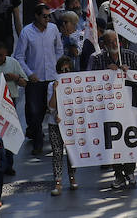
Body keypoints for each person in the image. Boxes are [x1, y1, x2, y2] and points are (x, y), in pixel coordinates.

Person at [86, 31, 137, 189]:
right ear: (103, 44)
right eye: (109, 41)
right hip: (107, 108)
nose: (113, 44)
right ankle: (118, 174)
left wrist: (129, 72)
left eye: (115, 41)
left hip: (129, 107)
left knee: (129, 138)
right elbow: (88, 81)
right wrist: (105, 71)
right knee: (112, 141)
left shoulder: (131, 55)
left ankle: (130, 171)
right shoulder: (97, 58)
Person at [13, 2, 63, 154]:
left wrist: (58, 69)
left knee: (55, 111)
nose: (47, 19)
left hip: (52, 79)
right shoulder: (27, 32)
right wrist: (29, 73)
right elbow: (19, 56)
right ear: (36, 16)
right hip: (35, 80)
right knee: (35, 113)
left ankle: (59, 142)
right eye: (44, 16)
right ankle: (38, 142)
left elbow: (59, 49)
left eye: (49, 16)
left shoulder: (53, 29)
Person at [46, 56, 78, 195]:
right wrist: (55, 91)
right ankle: (58, 181)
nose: (65, 72)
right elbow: (51, 106)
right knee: (57, 153)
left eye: (67, 69)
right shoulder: (51, 85)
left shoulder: (76, 85)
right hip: (55, 124)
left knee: (71, 152)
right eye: (62, 70)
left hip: (71, 124)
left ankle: (72, 177)